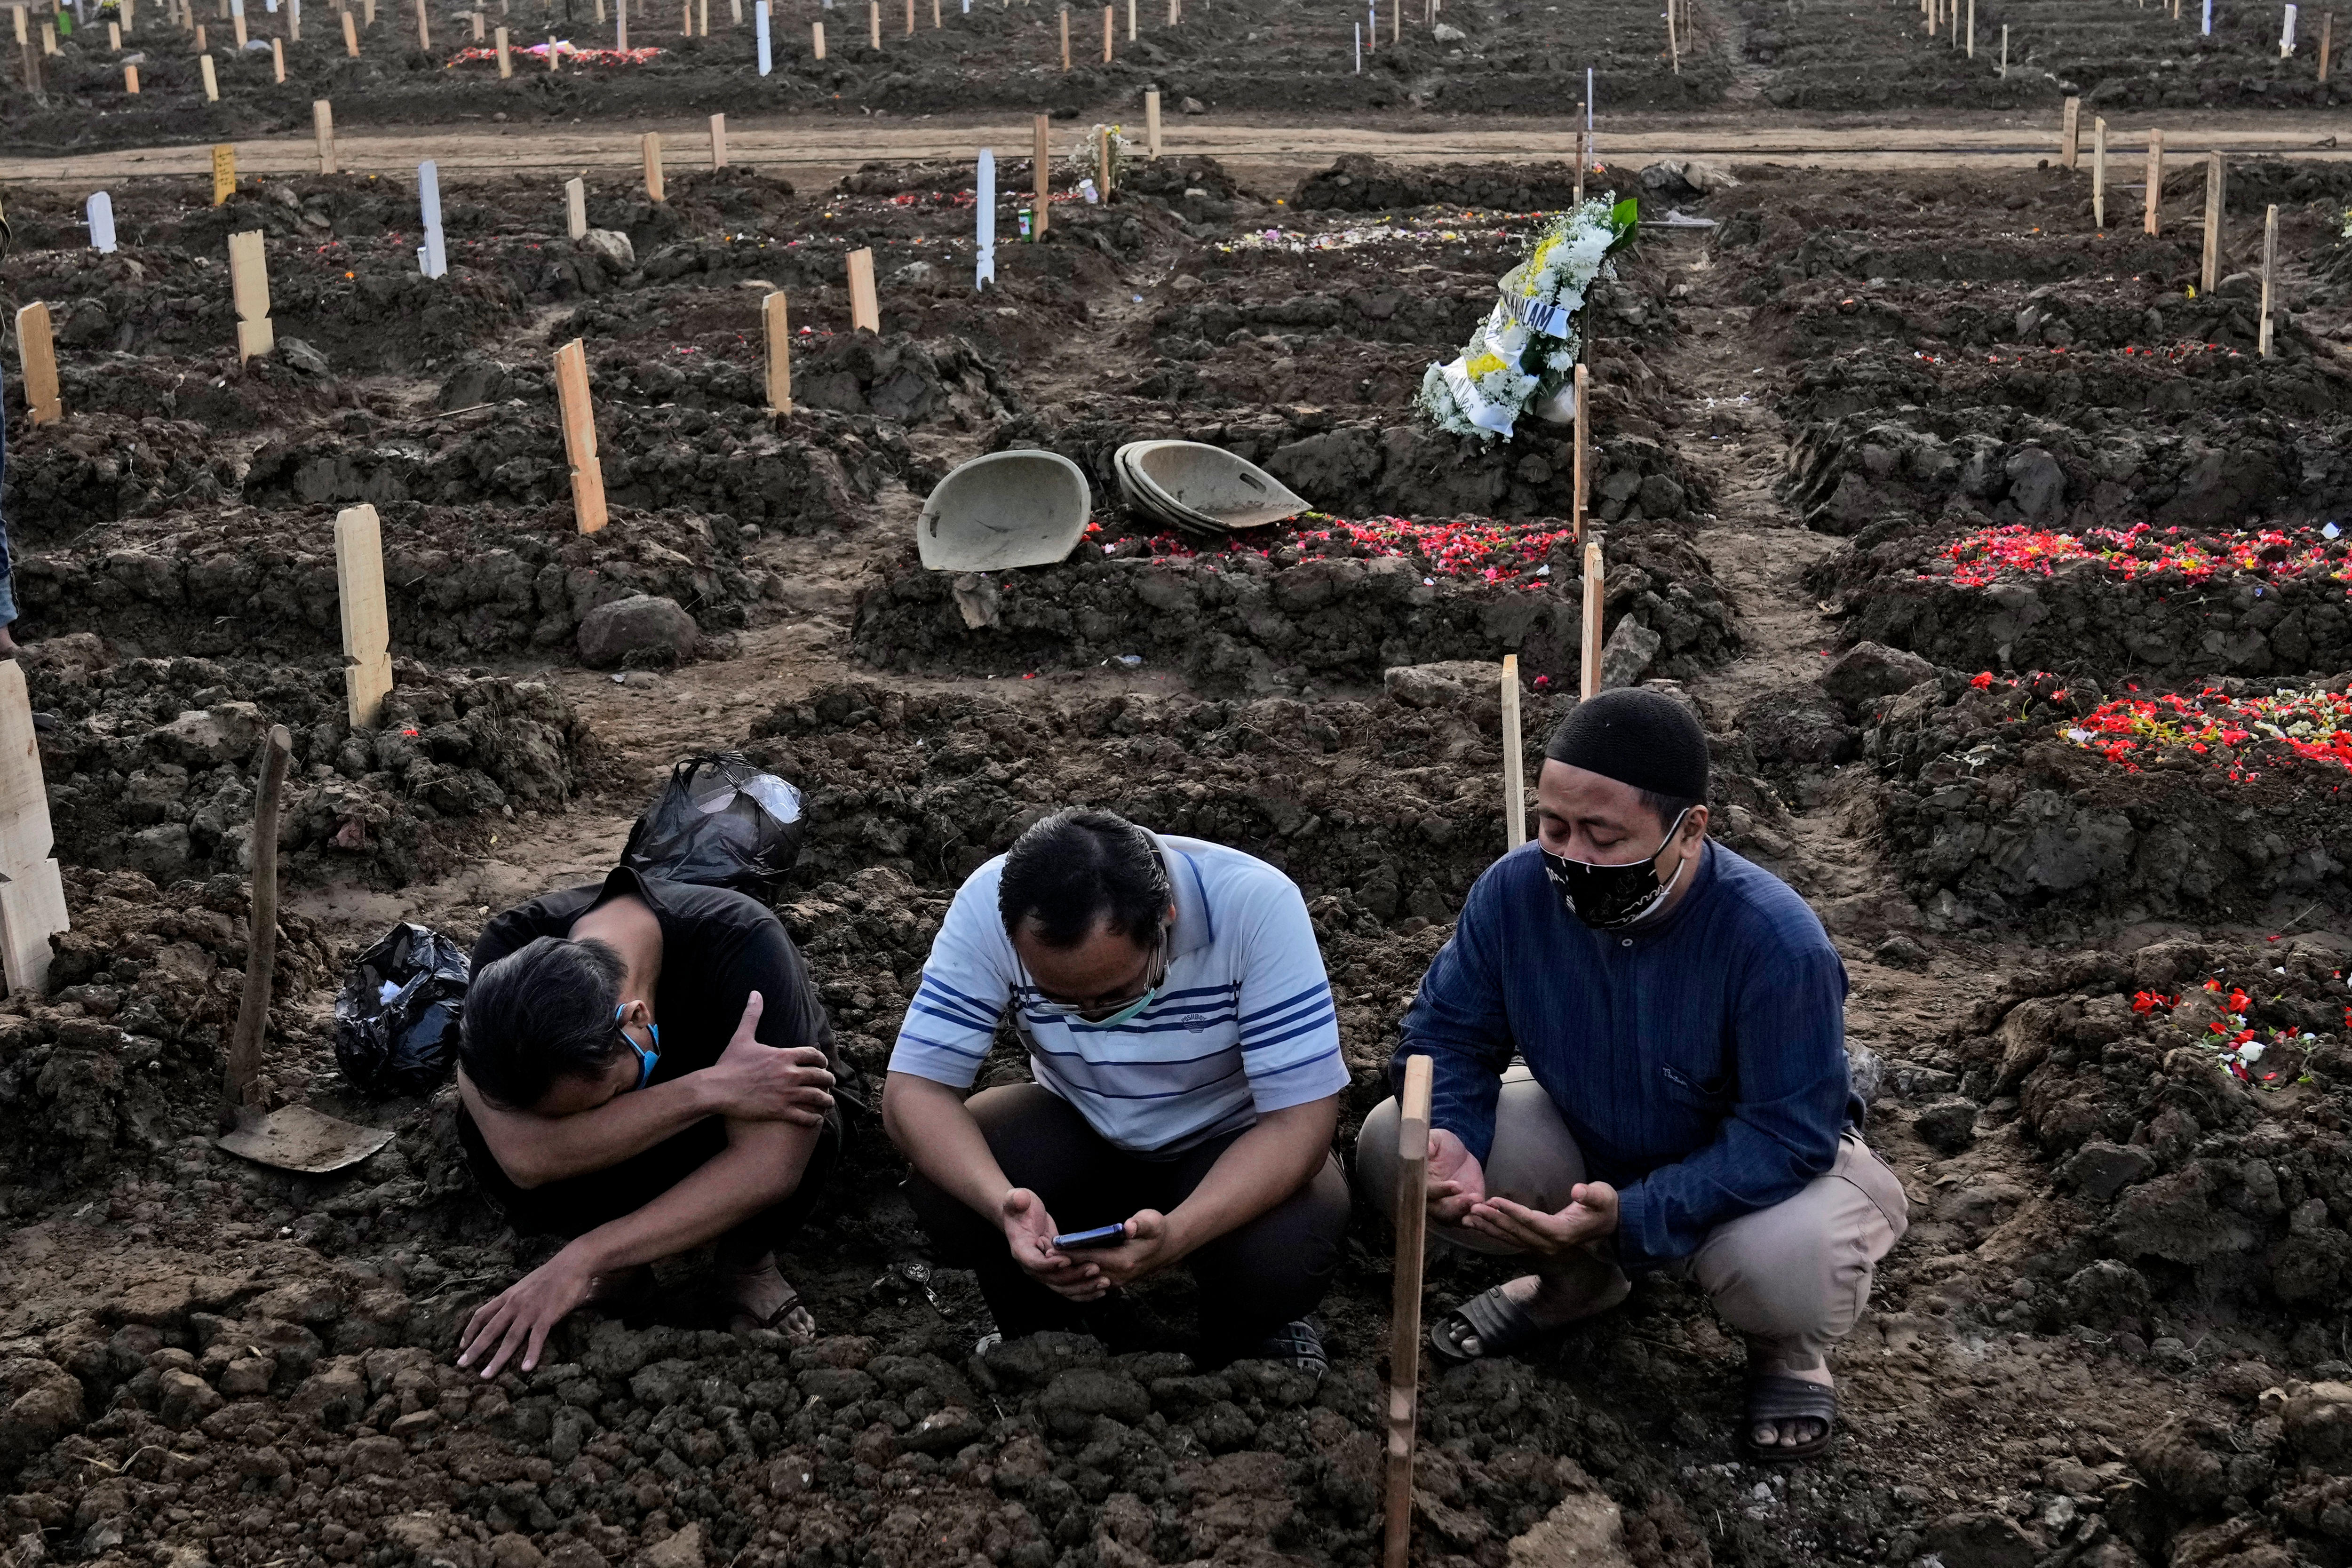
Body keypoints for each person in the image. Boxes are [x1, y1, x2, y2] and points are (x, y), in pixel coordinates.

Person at [1356, 688, 1908, 1461]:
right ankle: (1573, 1282)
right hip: (1589, 1130)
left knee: (1791, 1264)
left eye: (1605, 836)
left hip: (1754, 1169)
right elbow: (1448, 1032)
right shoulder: (1515, 894)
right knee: (1395, 1142)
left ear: (1689, 831)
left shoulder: (1775, 944)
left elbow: (1789, 1133)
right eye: (1554, 827)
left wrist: (1635, 1211)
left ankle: (1785, 1348)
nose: (1571, 856)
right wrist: (1452, 1131)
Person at [883, 808, 1351, 1372]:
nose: (1092, 1017)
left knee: (1284, 1249)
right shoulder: (993, 902)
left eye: (1116, 994)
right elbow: (914, 1091)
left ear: (1165, 920)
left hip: (1227, 1139)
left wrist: (1177, 1235)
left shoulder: (1255, 906)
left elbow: (1299, 1123)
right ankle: (1055, 1328)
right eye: (1059, 997)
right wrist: (1001, 1206)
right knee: (948, 1178)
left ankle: (1243, 1338)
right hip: (1080, 1123)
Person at [452, 865, 841, 1379]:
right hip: (707, 1101)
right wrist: (710, 1087)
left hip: (734, 1134)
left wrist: (583, 1258)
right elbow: (523, 1158)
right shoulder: (507, 956)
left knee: (804, 1101)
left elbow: (773, 1164)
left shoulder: (743, 943)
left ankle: (746, 1263)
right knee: (478, 1126)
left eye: (606, 1094)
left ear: (636, 1021)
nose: (598, 1115)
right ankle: (626, 1273)